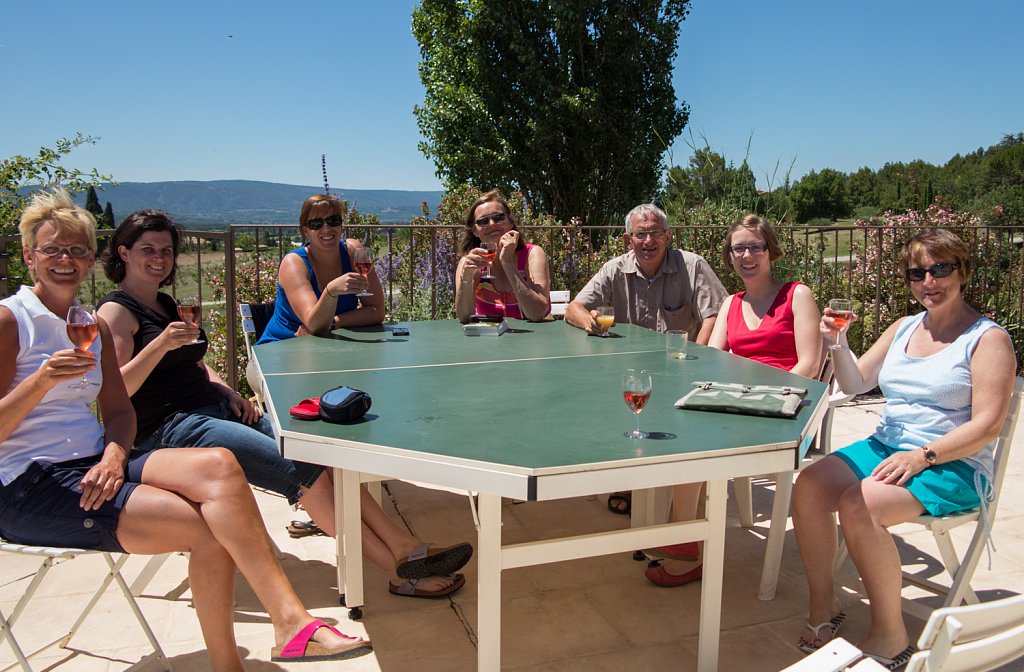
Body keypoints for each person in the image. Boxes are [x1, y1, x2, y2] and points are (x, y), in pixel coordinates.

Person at [0, 190, 372, 672]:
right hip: (29, 484)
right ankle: (260, 648)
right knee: (209, 529)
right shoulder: (12, 318)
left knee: (219, 464)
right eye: (52, 249)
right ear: (29, 255)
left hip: (93, 462)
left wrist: (114, 454)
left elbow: (116, 409)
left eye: (78, 250)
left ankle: (285, 629)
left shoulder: (83, 324)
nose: (66, 260)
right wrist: (41, 381)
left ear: (92, 258)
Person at [97, 208, 472, 599]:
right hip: (173, 427)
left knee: (319, 450)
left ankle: (403, 545)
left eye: (166, 250)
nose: (160, 258)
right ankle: (398, 572)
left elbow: (192, 363)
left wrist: (227, 391)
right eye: (148, 250)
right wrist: (159, 345)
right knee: (298, 468)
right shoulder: (116, 312)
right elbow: (115, 389)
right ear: (123, 253)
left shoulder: (163, 302)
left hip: (214, 408)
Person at [791, 228, 1015, 670]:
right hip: (889, 446)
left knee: (860, 503)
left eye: (940, 269)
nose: (928, 281)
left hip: (953, 462)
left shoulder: (988, 339)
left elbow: (988, 425)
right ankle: (824, 605)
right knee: (810, 485)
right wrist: (837, 342)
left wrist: (923, 456)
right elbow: (855, 383)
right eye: (917, 273)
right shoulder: (904, 327)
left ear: (962, 271)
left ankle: (891, 636)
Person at [645, 214, 822, 587]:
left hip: (783, 407)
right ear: (729, 256)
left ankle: (684, 539)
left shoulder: (797, 295)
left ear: (770, 251)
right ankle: (685, 534)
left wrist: (767, 398)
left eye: (755, 247)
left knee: (703, 441)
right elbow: (713, 360)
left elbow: (809, 362)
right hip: (737, 403)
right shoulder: (731, 304)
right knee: (682, 428)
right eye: (738, 248)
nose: (746, 255)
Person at [566, 203, 728, 516]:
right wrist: (592, 322)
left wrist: (697, 356)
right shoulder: (615, 269)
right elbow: (574, 308)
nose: (648, 241)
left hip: (683, 371)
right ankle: (630, 478)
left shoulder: (692, 265)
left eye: (655, 233)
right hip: (630, 374)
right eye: (641, 234)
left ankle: (675, 485)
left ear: (668, 236)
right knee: (601, 403)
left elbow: (715, 315)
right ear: (629, 240)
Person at [257, 193, 385, 343]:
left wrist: (335, 322)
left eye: (333, 221)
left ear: (341, 226)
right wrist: (331, 290)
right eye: (316, 224)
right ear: (306, 231)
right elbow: (314, 324)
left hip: (330, 343)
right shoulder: (293, 263)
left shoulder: (353, 252)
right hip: (282, 346)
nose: (326, 229)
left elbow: (377, 312)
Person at [454, 189, 552, 322]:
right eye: (483, 221)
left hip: (535, 339)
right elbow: (464, 317)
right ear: (475, 231)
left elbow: (537, 314)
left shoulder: (532, 254)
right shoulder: (470, 262)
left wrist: (507, 262)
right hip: (490, 339)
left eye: (499, 217)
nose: (492, 224)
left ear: (510, 222)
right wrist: (466, 278)